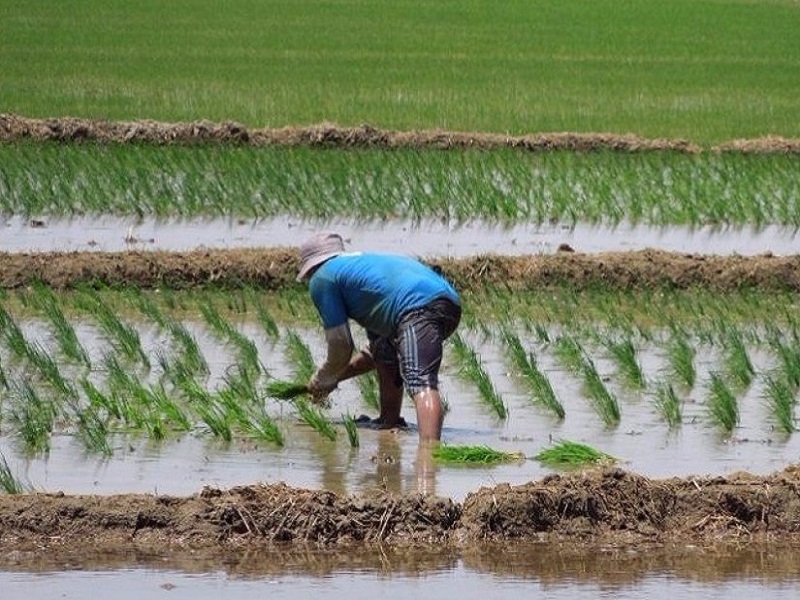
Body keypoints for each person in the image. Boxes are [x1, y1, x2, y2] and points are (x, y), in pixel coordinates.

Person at [296, 231, 461, 442]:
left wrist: (323, 378)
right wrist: (333, 379)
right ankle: (389, 419)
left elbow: (341, 345)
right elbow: (373, 356)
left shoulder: (323, 277)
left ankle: (428, 458)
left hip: (417, 306)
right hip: (448, 302)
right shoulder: (362, 274)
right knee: (384, 350)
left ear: (312, 267)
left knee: (420, 381)